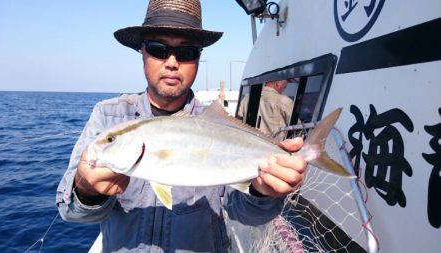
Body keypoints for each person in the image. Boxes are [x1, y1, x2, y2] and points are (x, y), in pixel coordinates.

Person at [56, 0, 307, 252]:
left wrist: (262, 192)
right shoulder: (109, 116)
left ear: (198, 59)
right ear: (142, 52)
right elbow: (71, 212)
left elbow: (246, 215)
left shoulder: (219, 126)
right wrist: (87, 191)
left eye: (187, 53)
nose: (172, 62)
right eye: (158, 49)